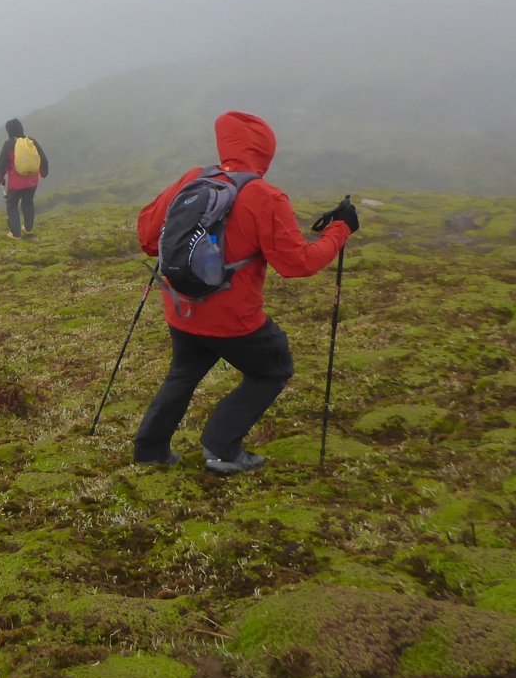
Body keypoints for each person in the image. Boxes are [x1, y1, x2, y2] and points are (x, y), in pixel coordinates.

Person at [133, 111, 357, 474]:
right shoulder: (265, 196)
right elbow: (297, 263)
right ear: (266, 151)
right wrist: (341, 229)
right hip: (233, 319)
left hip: (182, 307)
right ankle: (221, 447)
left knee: (183, 372)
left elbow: (147, 238)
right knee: (273, 368)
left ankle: (149, 449)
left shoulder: (193, 179)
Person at [0, 118, 49, 239]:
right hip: (32, 181)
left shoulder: (8, 144)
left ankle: (15, 234)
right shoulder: (31, 141)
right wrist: (44, 172)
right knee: (28, 202)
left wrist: (0, 178)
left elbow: (1, 164)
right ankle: (28, 229)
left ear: (9, 131)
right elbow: (43, 158)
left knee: (12, 205)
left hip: (16, 184)